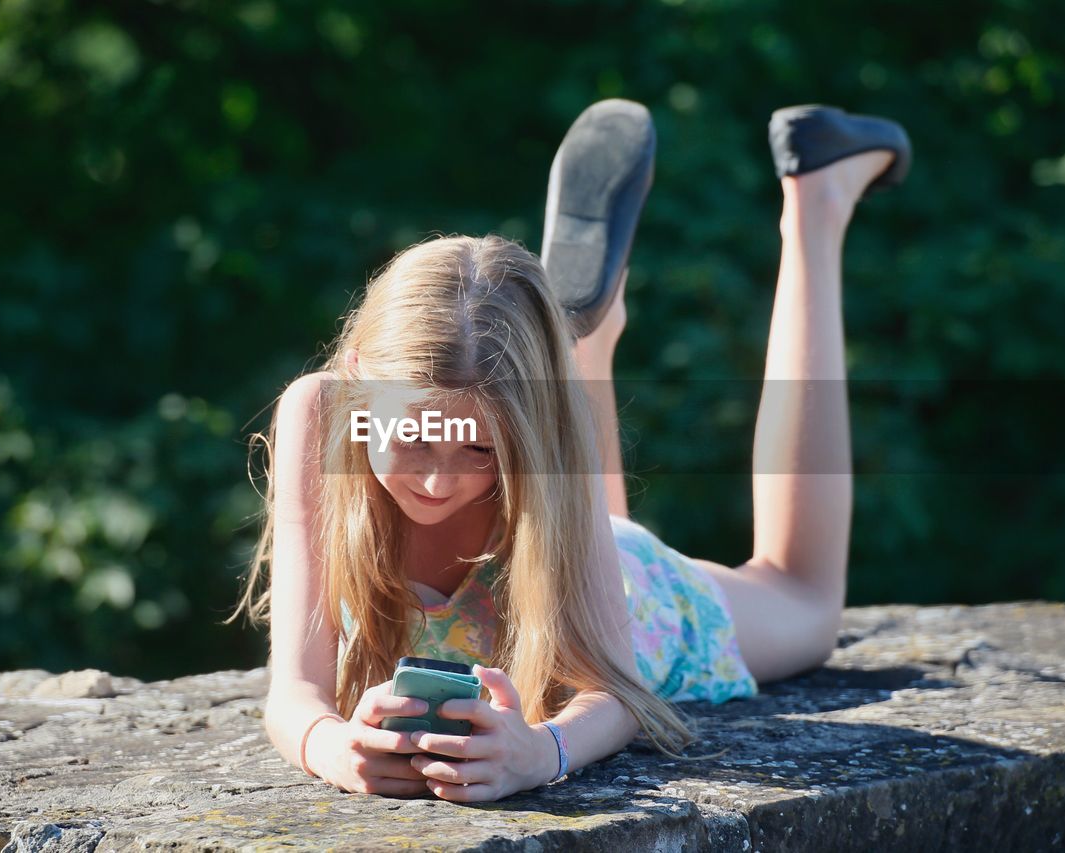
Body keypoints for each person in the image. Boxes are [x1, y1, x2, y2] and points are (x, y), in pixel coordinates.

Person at [227, 100, 911, 803]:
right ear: (358, 379)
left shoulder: (541, 438)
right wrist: (336, 749)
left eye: (484, 450)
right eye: (411, 438)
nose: (436, 479)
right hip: (558, 548)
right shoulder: (318, 411)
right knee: (559, 517)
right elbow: (294, 695)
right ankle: (584, 336)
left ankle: (817, 203)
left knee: (804, 597)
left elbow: (614, 691)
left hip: (627, 593)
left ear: (526, 427)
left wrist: (541, 753)